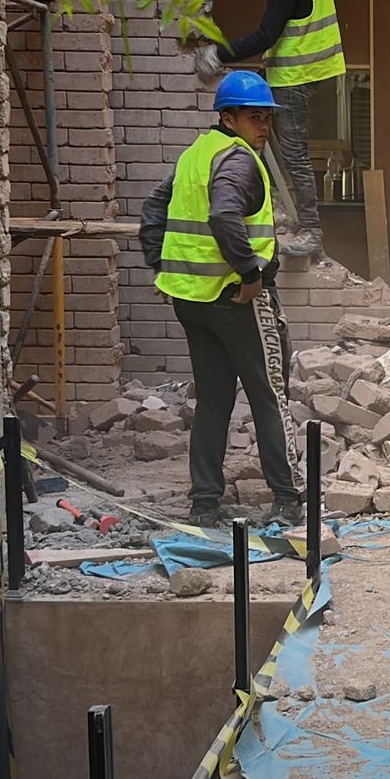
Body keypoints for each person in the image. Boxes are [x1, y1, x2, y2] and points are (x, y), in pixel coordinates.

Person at [140, 70, 304, 529]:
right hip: (237, 299)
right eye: (255, 118)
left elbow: (154, 207)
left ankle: (205, 503)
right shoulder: (238, 161)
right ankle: (289, 501)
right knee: (269, 396)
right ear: (228, 118)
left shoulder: (196, 154)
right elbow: (223, 214)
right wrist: (251, 275)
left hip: (192, 301)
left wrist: (163, 266)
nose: (264, 127)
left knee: (213, 401)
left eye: (268, 118)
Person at [194, 0, 344, 259]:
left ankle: (310, 229)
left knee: (293, 155)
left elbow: (266, 34)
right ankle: (295, 219)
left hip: (296, 74)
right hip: (308, 70)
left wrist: (218, 54)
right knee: (283, 151)